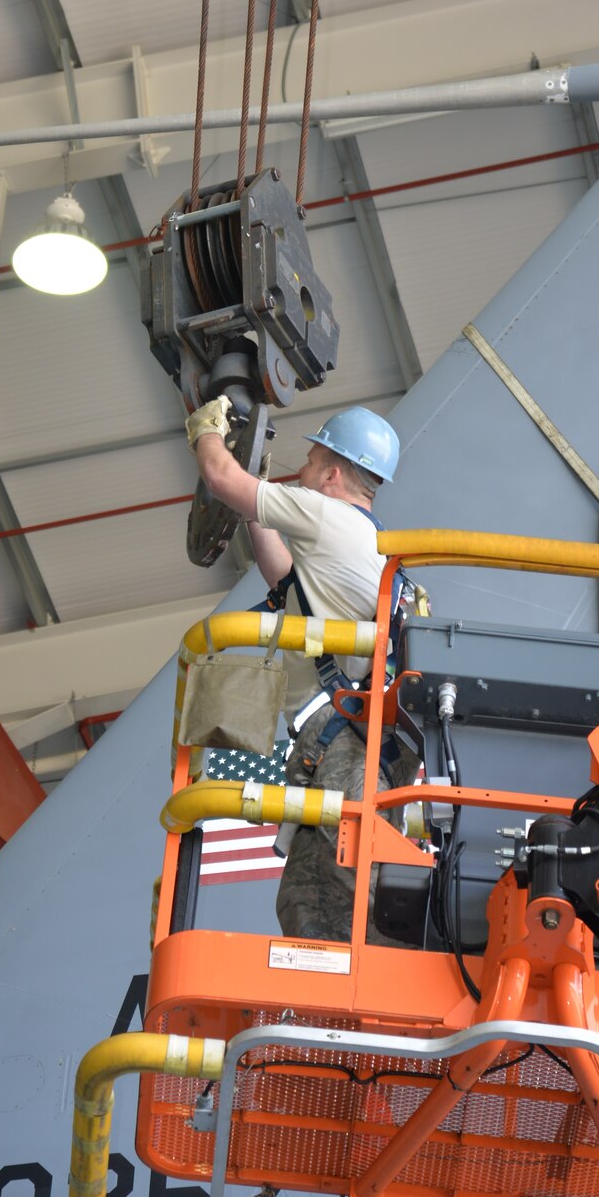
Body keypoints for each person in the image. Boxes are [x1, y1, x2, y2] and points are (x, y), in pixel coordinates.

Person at [185, 400, 404, 942]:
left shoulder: (327, 515)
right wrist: (258, 500)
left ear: (332, 474)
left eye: (309, 463)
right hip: (351, 742)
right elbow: (284, 576)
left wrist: (206, 430)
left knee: (339, 896)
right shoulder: (361, 543)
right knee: (308, 897)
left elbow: (219, 477)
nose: (299, 474)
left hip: (347, 744)